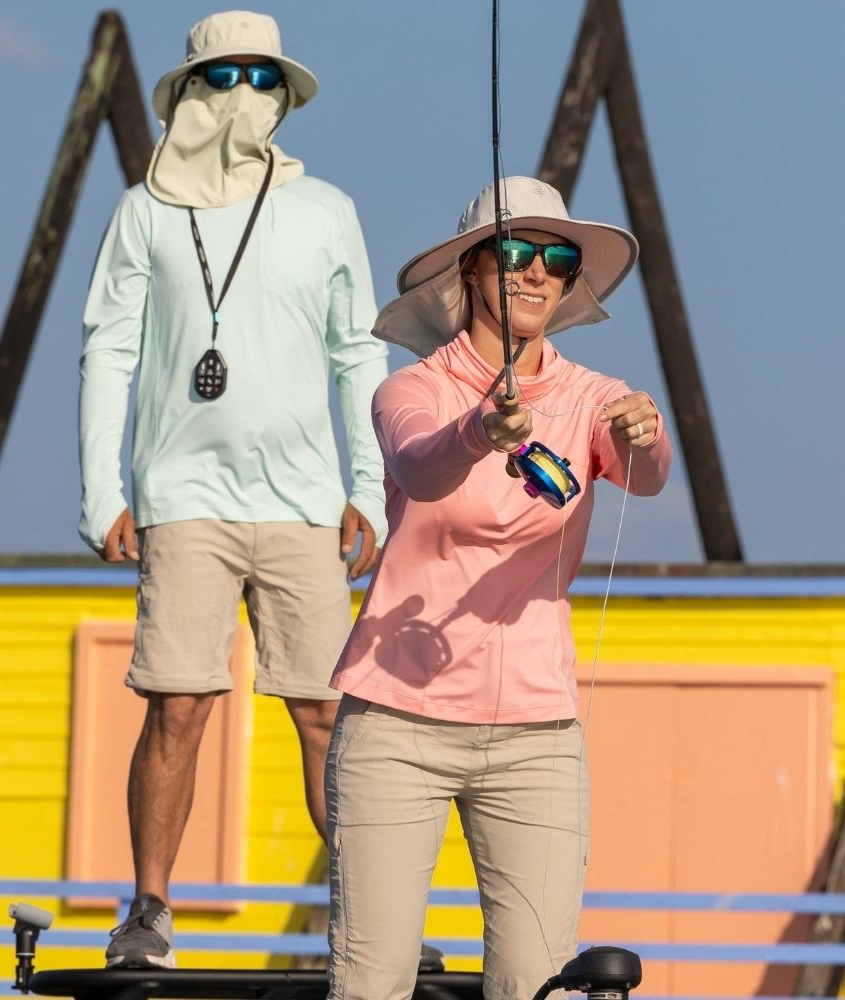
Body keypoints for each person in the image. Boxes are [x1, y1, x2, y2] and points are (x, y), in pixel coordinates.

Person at [78, 10, 389, 969]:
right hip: (181, 497)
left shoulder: (326, 209)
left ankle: (369, 918)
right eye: (224, 76)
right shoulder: (144, 210)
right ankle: (148, 911)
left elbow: (359, 352)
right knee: (176, 705)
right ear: (187, 91)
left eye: (262, 76)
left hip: (305, 501)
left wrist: (371, 488)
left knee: (328, 714)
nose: (244, 93)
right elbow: (109, 349)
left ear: (285, 96)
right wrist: (100, 491)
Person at [324, 176, 673, 1000]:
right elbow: (420, 466)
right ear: (471, 270)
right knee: (371, 983)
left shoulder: (594, 397)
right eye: (515, 251)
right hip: (395, 724)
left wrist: (647, 434)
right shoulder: (411, 389)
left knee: (537, 985)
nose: (536, 271)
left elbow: (648, 476)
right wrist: (480, 430)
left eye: (558, 258)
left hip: (536, 736)